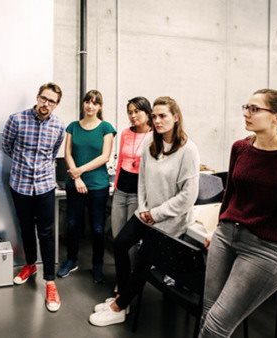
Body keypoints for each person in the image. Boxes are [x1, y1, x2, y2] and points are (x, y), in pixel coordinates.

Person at [198, 89, 277, 337]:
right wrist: (220, 226)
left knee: (215, 326)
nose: (247, 113)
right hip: (226, 237)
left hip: (266, 251)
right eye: (246, 107)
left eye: (255, 109)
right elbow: (230, 193)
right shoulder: (240, 147)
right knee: (207, 315)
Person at [89, 96, 200, 326]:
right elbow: (143, 180)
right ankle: (123, 297)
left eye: (163, 116)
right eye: (155, 116)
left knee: (143, 258)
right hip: (146, 213)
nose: (157, 121)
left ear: (176, 117)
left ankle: (120, 307)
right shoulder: (151, 141)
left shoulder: (188, 150)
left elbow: (188, 196)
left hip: (169, 220)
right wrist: (143, 208)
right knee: (119, 244)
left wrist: (156, 213)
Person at [1, 83, 65, 312]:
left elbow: (54, 152)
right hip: (20, 185)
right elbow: (7, 146)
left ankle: (49, 282)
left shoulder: (59, 126)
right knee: (26, 228)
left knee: (46, 233)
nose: (46, 104)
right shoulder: (16, 120)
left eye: (52, 101)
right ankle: (30, 265)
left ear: (57, 104)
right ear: (37, 97)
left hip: (46, 186)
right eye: (44, 99)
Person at [57, 90, 116, 283]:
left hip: (98, 186)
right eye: (87, 102)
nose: (90, 106)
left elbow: (105, 157)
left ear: (100, 106)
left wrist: (79, 171)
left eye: (94, 103)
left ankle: (97, 265)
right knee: (73, 224)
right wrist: (76, 178)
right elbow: (68, 154)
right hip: (75, 185)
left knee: (98, 228)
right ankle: (71, 260)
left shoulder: (106, 128)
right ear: (83, 104)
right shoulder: (73, 127)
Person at [111, 97, 152, 238]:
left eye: (136, 111)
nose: (132, 116)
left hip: (138, 193)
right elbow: (121, 160)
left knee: (130, 239)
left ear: (147, 113)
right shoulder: (125, 133)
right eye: (129, 112)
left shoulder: (154, 136)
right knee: (117, 235)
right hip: (121, 190)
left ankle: (132, 262)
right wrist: (116, 185)